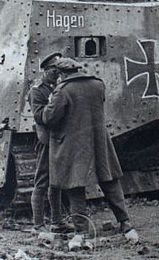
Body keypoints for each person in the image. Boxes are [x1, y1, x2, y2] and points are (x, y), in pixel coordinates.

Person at [41, 58, 134, 236]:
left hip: (74, 145)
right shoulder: (98, 84)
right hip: (98, 141)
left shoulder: (62, 91)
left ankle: (81, 231)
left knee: (75, 185)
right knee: (109, 181)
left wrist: (50, 102)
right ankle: (125, 223)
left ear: (61, 73)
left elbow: (49, 118)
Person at [28, 52, 69, 232]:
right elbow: (39, 116)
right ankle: (38, 225)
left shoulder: (60, 87)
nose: (57, 73)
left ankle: (57, 222)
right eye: (54, 70)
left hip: (60, 138)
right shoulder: (37, 90)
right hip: (46, 140)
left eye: (58, 70)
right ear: (46, 70)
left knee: (57, 182)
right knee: (41, 182)